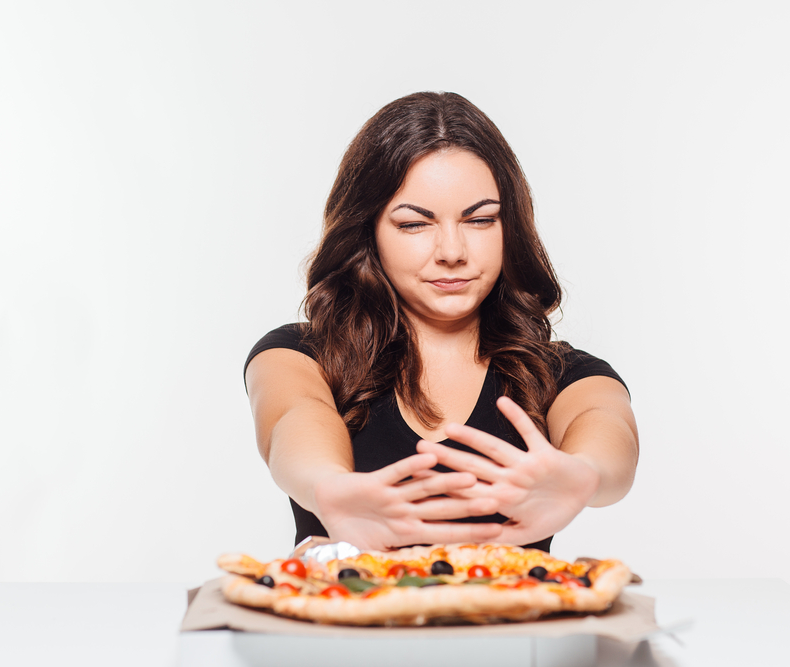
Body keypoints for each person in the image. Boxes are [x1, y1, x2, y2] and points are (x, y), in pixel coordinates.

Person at [244, 92, 638, 553]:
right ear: (367, 230)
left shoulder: (561, 372)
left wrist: (584, 476)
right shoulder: (297, 354)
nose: (452, 252)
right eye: (415, 224)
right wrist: (328, 486)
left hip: (510, 621)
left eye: (481, 220)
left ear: (510, 227)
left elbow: (607, 425)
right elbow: (293, 419)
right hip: (346, 619)